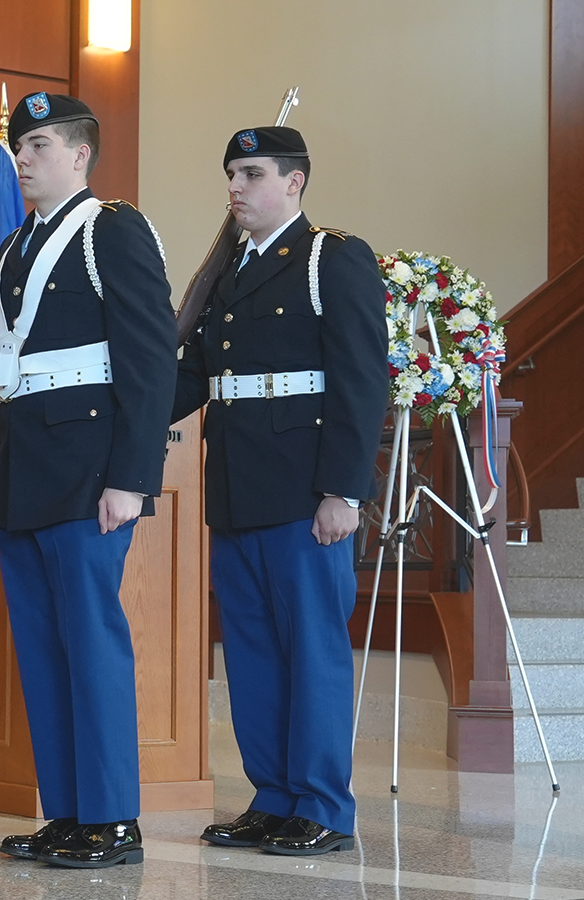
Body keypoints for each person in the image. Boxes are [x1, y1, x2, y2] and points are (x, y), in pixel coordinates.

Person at [173, 126, 386, 857]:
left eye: (252, 172)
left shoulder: (332, 257)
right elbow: (196, 375)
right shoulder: (229, 274)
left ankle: (324, 805)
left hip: (304, 493)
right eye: (231, 172)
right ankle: (273, 797)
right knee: (254, 655)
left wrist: (342, 491)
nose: (236, 186)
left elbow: (362, 381)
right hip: (236, 487)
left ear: (293, 182)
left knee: (312, 652)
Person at [0, 93, 174, 869]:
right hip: (25, 468)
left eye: (37, 144)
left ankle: (112, 819)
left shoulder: (112, 229)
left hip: (90, 469)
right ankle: (65, 813)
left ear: (79, 155)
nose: (22, 158)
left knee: (91, 643)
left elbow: (149, 357)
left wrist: (132, 477)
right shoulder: (19, 243)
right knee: (42, 646)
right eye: (17, 145)